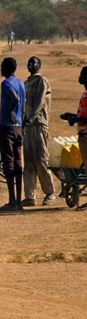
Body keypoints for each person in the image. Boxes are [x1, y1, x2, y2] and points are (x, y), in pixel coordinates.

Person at [22, 57, 56, 207]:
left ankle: (50, 193)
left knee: (41, 160)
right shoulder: (26, 83)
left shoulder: (42, 81)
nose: (31, 65)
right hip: (27, 127)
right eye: (29, 63)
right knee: (29, 162)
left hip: (38, 124)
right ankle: (30, 196)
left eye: (34, 63)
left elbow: (40, 102)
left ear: (39, 66)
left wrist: (29, 118)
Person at [0, 57, 26, 211]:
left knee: (8, 162)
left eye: (2, 67)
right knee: (18, 162)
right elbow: (24, 104)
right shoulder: (21, 83)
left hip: (7, 127)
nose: (1, 69)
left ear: (7, 68)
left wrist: (9, 112)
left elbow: (15, 98)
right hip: (18, 128)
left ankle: (12, 201)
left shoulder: (6, 83)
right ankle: (19, 202)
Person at [60, 66, 87, 211]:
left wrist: (76, 118)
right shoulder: (85, 93)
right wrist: (72, 117)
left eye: (83, 74)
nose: (80, 76)